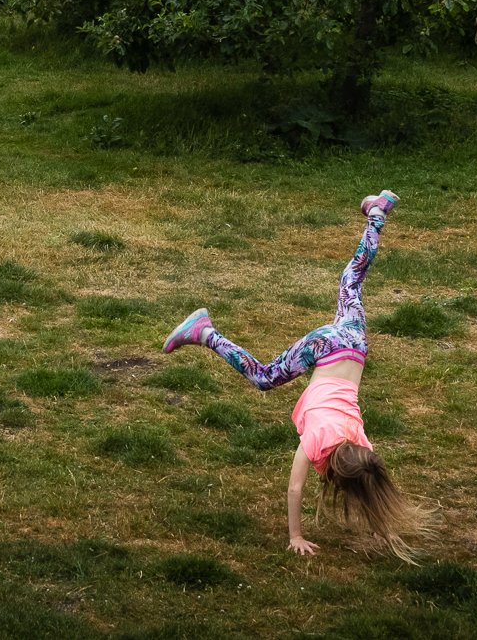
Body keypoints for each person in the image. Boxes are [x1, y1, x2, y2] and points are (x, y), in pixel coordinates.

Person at [162, 190, 423, 558]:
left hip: (354, 343)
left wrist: (382, 530)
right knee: (264, 377)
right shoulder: (318, 439)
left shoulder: (361, 445)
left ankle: (377, 214)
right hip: (326, 346)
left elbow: (370, 483)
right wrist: (294, 537)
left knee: (352, 278)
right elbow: (295, 489)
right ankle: (205, 332)